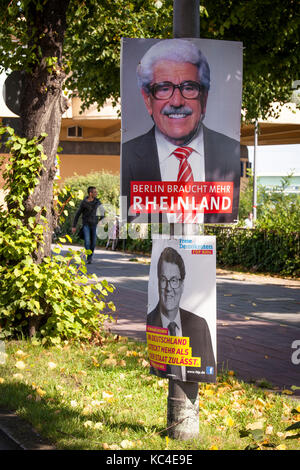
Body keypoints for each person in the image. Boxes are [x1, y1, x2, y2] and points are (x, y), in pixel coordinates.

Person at [122, 38, 240, 223]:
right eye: (163, 88)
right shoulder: (127, 156)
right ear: (147, 100)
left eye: (189, 87)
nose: (177, 101)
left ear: (205, 98)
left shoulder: (230, 151)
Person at [147, 246, 216, 383]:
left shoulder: (200, 325)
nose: (168, 288)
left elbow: (207, 368)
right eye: (163, 280)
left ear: (182, 285)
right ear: (157, 282)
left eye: (174, 281)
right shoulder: (150, 321)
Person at [72, 186, 104, 263]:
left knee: (93, 243)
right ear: (90, 193)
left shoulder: (98, 202)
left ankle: (90, 256)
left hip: (94, 225)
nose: (96, 193)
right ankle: (89, 258)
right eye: (95, 192)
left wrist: (101, 221)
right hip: (86, 225)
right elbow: (78, 214)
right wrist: (74, 226)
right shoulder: (84, 203)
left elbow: (102, 213)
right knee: (87, 242)